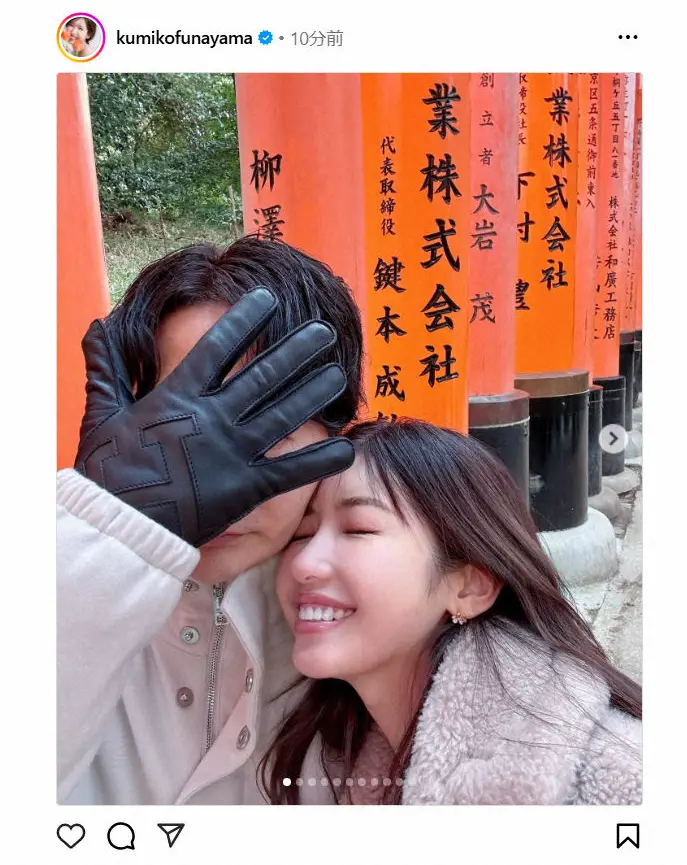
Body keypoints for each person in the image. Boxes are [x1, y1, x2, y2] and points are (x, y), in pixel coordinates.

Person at [57, 236, 363, 804]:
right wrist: (105, 546)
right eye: (175, 429)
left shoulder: (384, 599)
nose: (210, 486)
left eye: (260, 424)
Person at [263, 419, 642, 805]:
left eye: (358, 529)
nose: (304, 563)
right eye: (301, 534)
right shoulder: (330, 754)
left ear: (470, 586)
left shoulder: (618, 782)